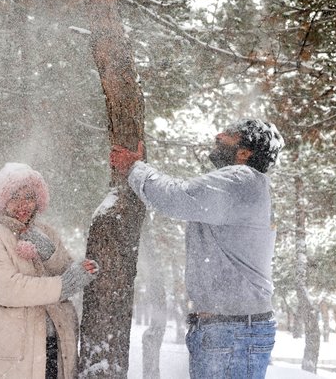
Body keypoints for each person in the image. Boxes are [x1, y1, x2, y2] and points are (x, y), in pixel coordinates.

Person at [110, 119, 284, 379]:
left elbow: (177, 197)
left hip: (230, 330)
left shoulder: (240, 179)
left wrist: (134, 168)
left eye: (229, 135)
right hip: (233, 328)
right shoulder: (247, 185)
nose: (219, 135)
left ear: (245, 153)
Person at [0, 162, 99, 379]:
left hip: (53, 344)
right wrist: (62, 286)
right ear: (2, 201)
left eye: (29, 197)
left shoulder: (45, 231)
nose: (23, 204)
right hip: (10, 351)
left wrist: (49, 253)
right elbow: (7, 288)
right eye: (14, 197)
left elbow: (66, 269)